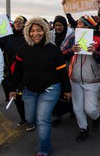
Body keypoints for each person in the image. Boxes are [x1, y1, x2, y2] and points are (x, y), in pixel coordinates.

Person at [9, 17, 72, 156]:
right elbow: (18, 71)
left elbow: (62, 71)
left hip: (50, 89)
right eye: (32, 31)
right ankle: (44, 134)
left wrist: (67, 89)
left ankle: (44, 149)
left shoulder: (53, 50)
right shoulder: (23, 49)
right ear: (28, 32)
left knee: (42, 119)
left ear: (45, 31)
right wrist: (13, 89)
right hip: (29, 91)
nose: (35, 33)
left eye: (39, 30)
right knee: (31, 119)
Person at [66, 15, 100, 142]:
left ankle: (96, 118)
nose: (77, 26)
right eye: (77, 24)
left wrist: (95, 53)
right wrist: (71, 51)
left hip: (92, 80)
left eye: (80, 24)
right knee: (77, 107)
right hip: (75, 79)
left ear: (88, 26)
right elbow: (62, 54)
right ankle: (83, 128)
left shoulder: (98, 40)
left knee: (91, 109)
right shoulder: (72, 38)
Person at [0, 15, 35, 131]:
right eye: (15, 22)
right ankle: (23, 118)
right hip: (11, 72)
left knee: (28, 97)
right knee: (16, 97)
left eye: (20, 22)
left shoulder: (28, 37)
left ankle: (31, 120)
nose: (17, 24)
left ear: (25, 23)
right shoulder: (7, 37)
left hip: (26, 72)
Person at [50, 15, 75, 127]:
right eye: (56, 25)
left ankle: (72, 110)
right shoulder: (50, 35)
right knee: (56, 91)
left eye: (60, 25)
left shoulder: (71, 36)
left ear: (64, 25)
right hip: (54, 68)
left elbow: (74, 51)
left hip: (68, 67)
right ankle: (57, 115)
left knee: (69, 89)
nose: (58, 27)